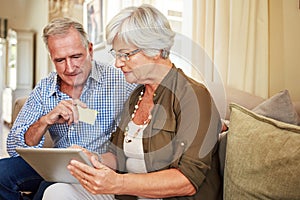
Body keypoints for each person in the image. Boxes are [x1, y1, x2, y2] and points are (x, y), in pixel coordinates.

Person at [43, 4, 222, 200]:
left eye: (125, 54)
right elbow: (118, 156)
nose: (118, 63)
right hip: (127, 194)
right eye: (117, 54)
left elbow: (187, 181)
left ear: (155, 49)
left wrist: (118, 183)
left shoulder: (193, 96)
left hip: (162, 197)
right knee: (57, 191)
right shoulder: (136, 95)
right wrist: (91, 158)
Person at [0, 17, 135, 200]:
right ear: (52, 58)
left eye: (76, 56)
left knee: (48, 188)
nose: (69, 68)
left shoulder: (119, 82)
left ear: (89, 50)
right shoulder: (45, 88)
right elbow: (14, 148)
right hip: (55, 164)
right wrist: (45, 121)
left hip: (95, 165)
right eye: (60, 60)